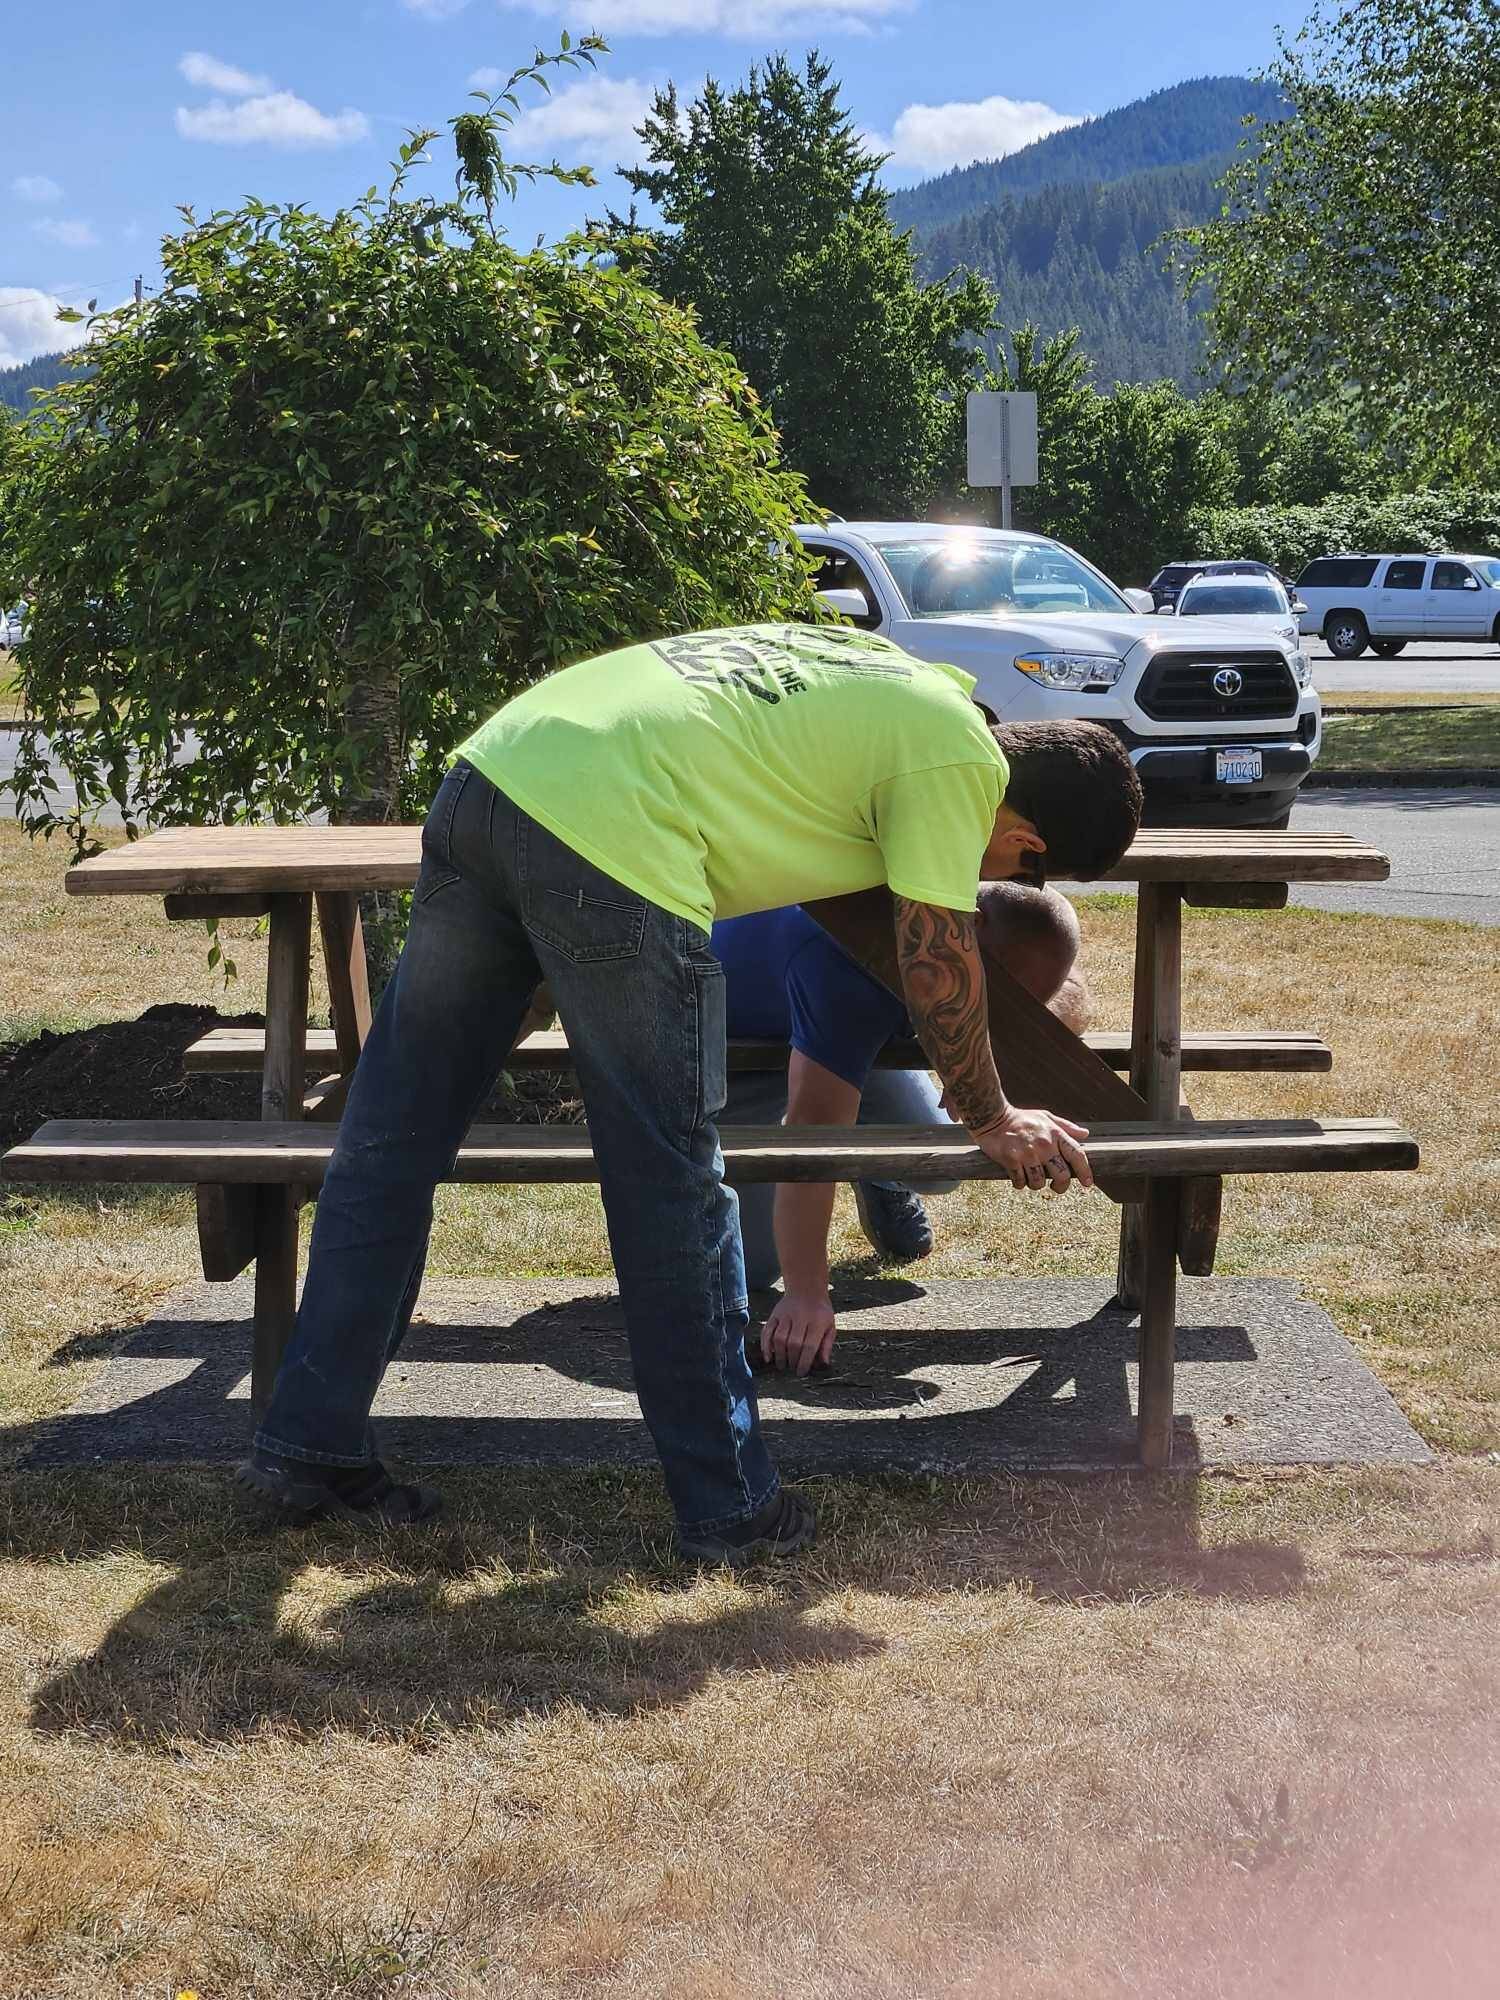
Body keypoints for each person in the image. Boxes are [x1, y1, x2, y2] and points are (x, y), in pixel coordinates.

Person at [236, 622, 1143, 1563]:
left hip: (495, 772)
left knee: (392, 1143)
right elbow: (936, 951)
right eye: (1002, 871)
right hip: (615, 832)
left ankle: (308, 1446)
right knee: (670, 1184)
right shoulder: (958, 763)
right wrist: (992, 1115)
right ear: (1028, 844)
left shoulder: (905, 682)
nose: (982, 877)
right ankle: (727, 1505)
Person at [714, 883, 1091, 1377]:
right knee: (757, 1270)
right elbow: (814, 1137)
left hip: (843, 1041)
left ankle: (878, 1179)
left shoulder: (948, 925)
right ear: (967, 931)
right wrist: (807, 1293)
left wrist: (979, 1054)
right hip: (736, 1057)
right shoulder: (849, 962)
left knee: (939, 1166)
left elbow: (1071, 992)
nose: (994, 1015)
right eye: (992, 1002)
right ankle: (859, 1157)